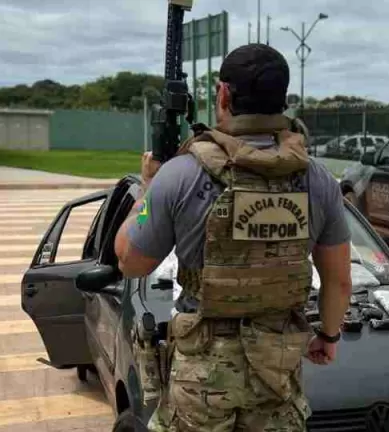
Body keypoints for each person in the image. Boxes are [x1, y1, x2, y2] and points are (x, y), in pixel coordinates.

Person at [114, 43, 353, 431]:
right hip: (277, 372)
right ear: (283, 99)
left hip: (201, 378)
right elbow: (339, 280)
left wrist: (147, 188)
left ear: (224, 94)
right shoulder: (318, 179)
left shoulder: (181, 174)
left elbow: (129, 261)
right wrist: (327, 334)